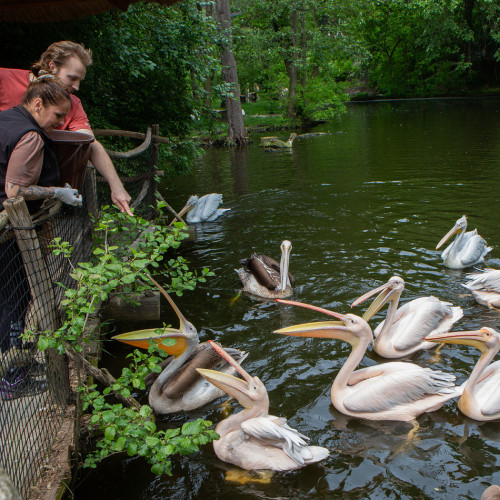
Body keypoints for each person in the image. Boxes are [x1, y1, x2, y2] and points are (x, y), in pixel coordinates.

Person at [0, 76, 80, 400]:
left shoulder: (6, 118)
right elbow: (15, 189)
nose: (60, 122)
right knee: (13, 302)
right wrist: (56, 190)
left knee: (7, 299)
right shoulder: (31, 135)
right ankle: (12, 378)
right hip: (8, 232)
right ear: (37, 104)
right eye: (58, 115)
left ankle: (13, 365)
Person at [0, 40, 132, 216]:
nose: (76, 87)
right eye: (72, 78)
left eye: (80, 80)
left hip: (25, 205)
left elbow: (91, 144)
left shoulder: (72, 104)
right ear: (52, 66)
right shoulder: (5, 80)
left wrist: (117, 187)